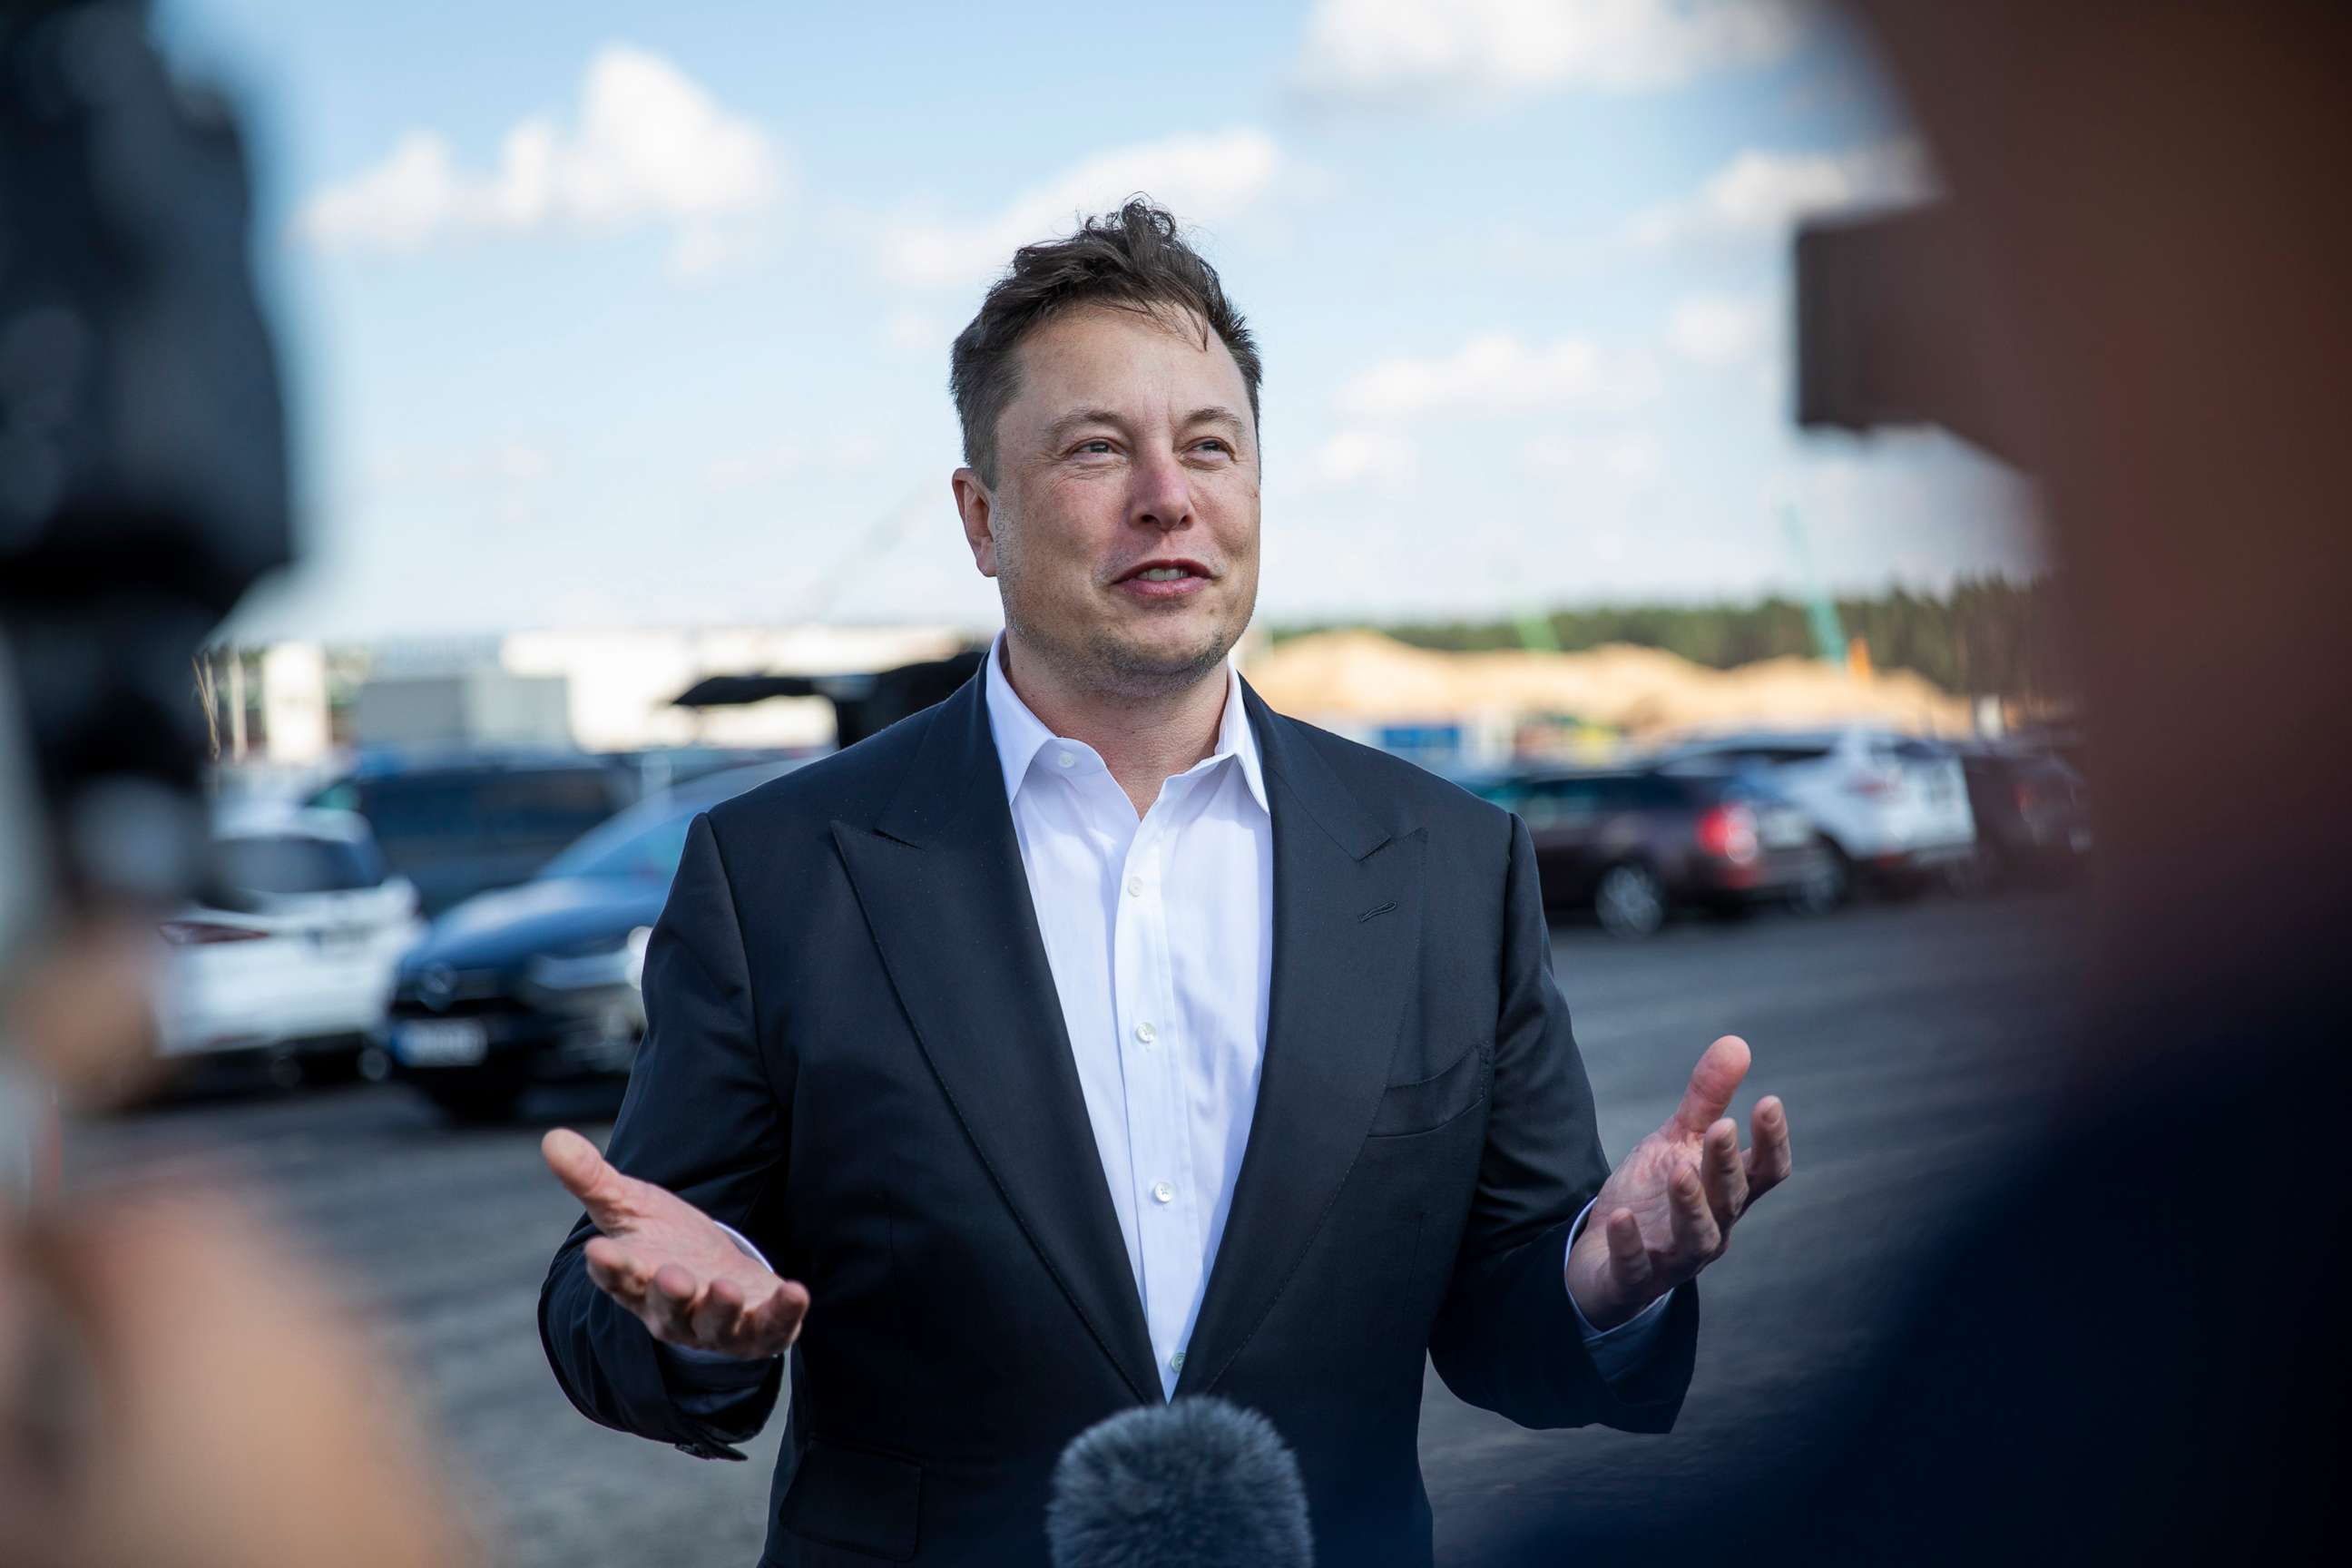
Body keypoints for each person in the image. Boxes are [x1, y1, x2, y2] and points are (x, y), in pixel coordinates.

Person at [537, 201, 1792, 1566]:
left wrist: (1609, 1273)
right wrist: (676, 1326)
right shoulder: (778, 871)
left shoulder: (1448, 864)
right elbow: (631, 1289)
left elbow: (1509, 1320)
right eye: (1095, 449)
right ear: (980, 516)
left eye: (1210, 445)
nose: (1167, 494)